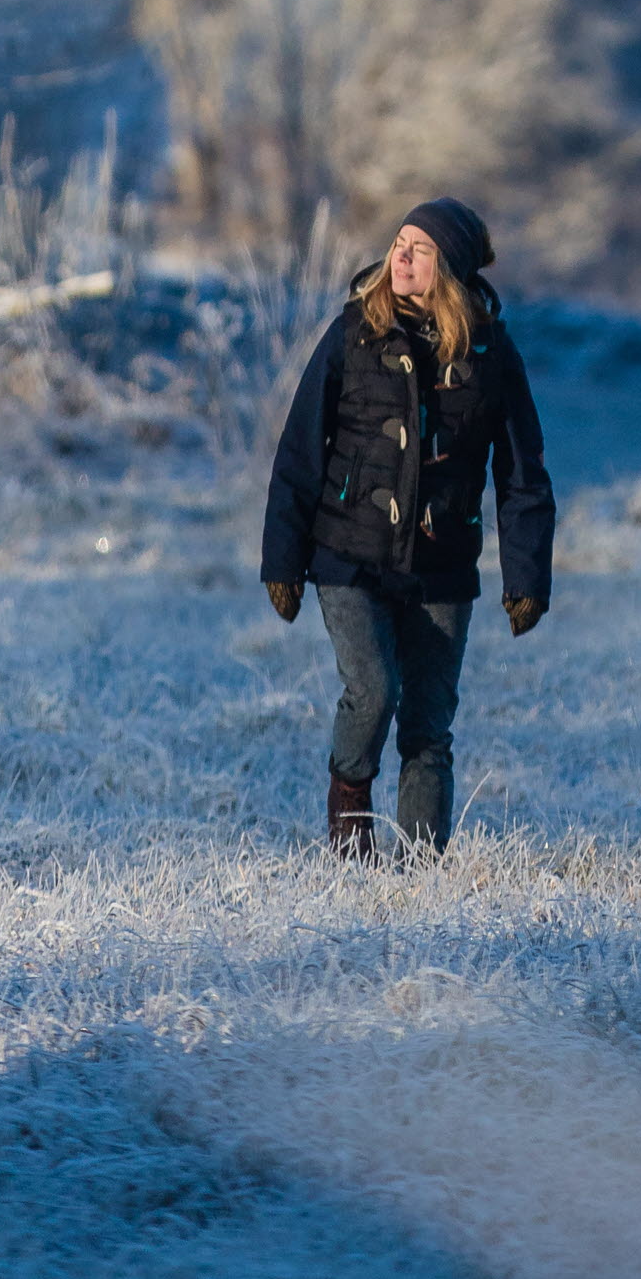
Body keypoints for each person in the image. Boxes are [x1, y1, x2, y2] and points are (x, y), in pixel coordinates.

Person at [260, 198, 556, 858]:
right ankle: (348, 838)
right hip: (348, 555)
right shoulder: (352, 333)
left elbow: (523, 473)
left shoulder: (490, 352)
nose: (401, 256)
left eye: (419, 248)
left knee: (427, 726)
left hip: (442, 563)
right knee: (373, 690)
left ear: (448, 269)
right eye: (400, 242)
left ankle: (420, 871)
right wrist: (283, 561)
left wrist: (526, 577)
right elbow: (300, 451)